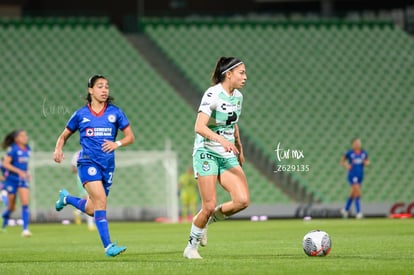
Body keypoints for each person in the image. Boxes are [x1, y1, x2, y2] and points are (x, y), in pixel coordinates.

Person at [53, 75, 135, 257]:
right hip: (87, 162)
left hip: (108, 165)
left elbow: (130, 137)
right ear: (90, 90)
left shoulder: (115, 113)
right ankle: (108, 247)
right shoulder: (81, 114)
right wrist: (58, 148)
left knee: (92, 209)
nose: (104, 90)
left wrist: (117, 144)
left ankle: (66, 199)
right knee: (101, 201)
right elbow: (63, 136)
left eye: (107, 86)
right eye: (100, 86)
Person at [183, 57, 249, 259]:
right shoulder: (212, 94)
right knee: (209, 205)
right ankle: (190, 248)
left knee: (242, 201)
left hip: (227, 153)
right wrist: (221, 140)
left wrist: (239, 145)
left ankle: (206, 221)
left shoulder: (238, 96)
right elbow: (199, 126)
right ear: (228, 74)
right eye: (241, 72)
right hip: (207, 152)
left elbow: (232, 121)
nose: (245, 77)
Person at [1, 130, 32, 236]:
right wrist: (20, 172)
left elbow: (24, 164)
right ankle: (5, 217)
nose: (25, 137)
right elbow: (5, 164)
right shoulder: (13, 149)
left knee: (25, 202)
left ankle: (25, 229)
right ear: (16, 139)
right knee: (12, 207)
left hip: (22, 179)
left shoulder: (27, 149)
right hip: (11, 180)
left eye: (25, 135)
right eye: (22, 136)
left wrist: (27, 173)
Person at [340, 138, 369, 219]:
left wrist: (366, 163)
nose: (357, 144)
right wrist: (346, 165)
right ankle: (358, 212)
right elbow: (342, 161)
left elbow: (367, 162)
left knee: (353, 193)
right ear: (353, 144)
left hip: (360, 175)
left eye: (358, 143)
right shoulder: (350, 153)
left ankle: (345, 209)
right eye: (356, 143)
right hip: (352, 174)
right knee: (357, 193)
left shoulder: (363, 153)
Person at [71, 150, 95, 230]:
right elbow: (73, 169)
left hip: (94, 179)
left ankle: (78, 212)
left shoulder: (94, 151)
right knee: (88, 200)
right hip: (82, 180)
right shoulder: (78, 154)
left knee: (92, 200)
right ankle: (90, 224)